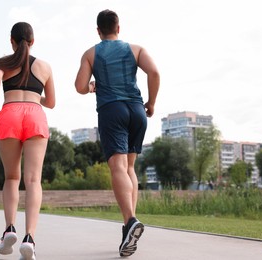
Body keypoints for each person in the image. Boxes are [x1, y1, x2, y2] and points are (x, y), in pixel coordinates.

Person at [74, 9, 160, 257]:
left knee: (118, 169)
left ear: (98, 31)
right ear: (119, 28)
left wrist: (92, 86)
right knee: (130, 168)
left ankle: (131, 220)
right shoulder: (136, 49)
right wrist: (151, 103)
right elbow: (154, 73)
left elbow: (80, 86)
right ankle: (127, 230)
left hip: (112, 111)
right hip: (137, 110)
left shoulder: (91, 53)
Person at [0, 22, 55, 260]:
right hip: (35, 114)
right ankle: (30, 239)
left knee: (12, 177)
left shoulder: (2, 64)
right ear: (32, 41)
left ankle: (9, 229)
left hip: (9, 114)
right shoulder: (44, 67)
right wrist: (35, 96)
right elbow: (52, 102)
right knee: (33, 179)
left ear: (11, 41)